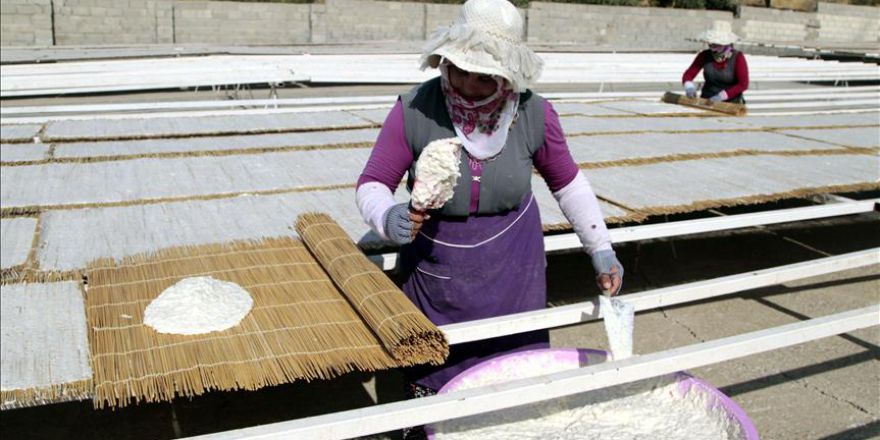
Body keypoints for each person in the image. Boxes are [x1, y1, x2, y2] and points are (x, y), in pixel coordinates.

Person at [355, 0, 623, 435]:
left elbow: (569, 184)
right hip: (437, 277)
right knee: (435, 375)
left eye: (483, 76)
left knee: (510, 382)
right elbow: (372, 182)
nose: (466, 83)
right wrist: (388, 217)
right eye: (459, 69)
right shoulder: (416, 110)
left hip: (512, 272)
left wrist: (601, 249)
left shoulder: (533, 113)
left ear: (507, 75)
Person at [682, 21, 749, 104]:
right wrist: (689, 87)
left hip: (731, 103)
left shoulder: (737, 57)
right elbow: (688, 74)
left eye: (717, 45)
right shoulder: (704, 55)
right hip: (707, 100)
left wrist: (722, 96)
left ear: (726, 44)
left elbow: (743, 84)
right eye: (711, 44)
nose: (713, 48)